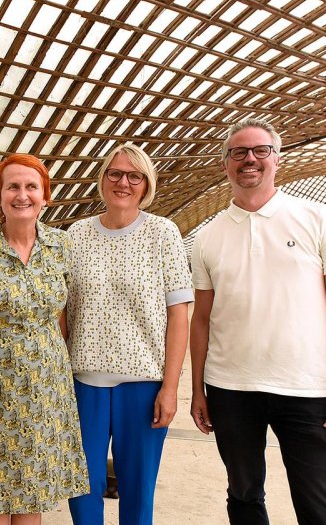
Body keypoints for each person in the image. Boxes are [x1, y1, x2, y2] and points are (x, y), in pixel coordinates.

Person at [189, 118, 326, 525]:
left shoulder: (319, 219)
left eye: (260, 151)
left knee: (322, 509)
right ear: (225, 164)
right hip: (231, 388)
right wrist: (198, 389)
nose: (249, 159)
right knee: (244, 496)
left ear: (276, 159)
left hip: (309, 389)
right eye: (238, 152)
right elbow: (202, 320)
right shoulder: (208, 236)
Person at [0, 153, 88, 524]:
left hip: (46, 389)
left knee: (33, 493)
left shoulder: (61, 247)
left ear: (46, 196)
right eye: (12, 186)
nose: (22, 195)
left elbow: (60, 316)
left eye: (32, 187)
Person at [65, 144, 192, 525]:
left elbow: (179, 317)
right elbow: (62, 311)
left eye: (134, 175)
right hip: (83, 383)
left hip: (144, 384)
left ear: (146, 184)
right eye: (115, 174)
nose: (123, 182)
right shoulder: (76, 235)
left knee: (138, 491)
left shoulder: (162, 233)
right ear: (102, 179)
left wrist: (170, 388)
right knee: (81, 487)